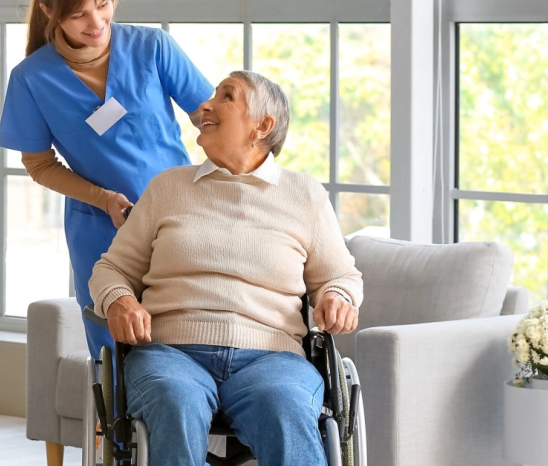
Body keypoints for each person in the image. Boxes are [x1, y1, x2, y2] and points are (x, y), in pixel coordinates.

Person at [89, 70, 363, 466]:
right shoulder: (167, 187)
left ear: (262, 126)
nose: (206, 105)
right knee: (174, 400)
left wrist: (338, 297)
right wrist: (119, 301)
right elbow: (111, 268)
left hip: (272, 358)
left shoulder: (304, 194)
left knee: (284, 406)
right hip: (170, 352)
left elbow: (340, 276)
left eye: (227, 97)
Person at [0, 0, 213, 359]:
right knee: (115, 355)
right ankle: (108, 426)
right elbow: (40, 165)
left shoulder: (152, 47)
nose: (96, 22)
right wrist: (103, 198)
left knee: (185, 341)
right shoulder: (31, 79)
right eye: (78, 15)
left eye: (103, 5)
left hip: (179, 218)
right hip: (101, 229)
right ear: (49, 11)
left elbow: (210, 117)